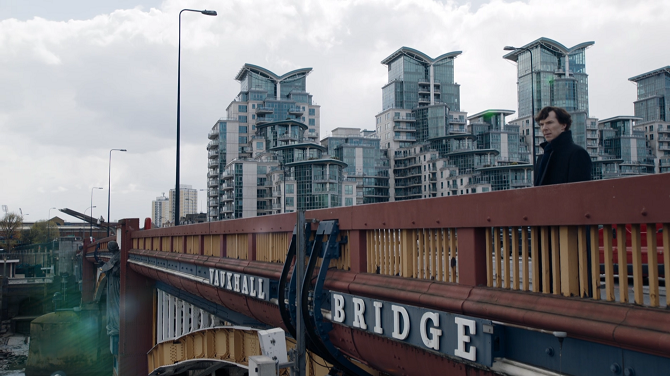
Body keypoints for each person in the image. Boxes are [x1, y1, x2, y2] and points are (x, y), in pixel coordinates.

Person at [533, 106, 592, 186]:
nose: (544, 128)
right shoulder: (542, 158)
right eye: (541, 124)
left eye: (549, 123)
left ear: (563, 125)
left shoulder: (577, 153)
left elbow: (580, 192)